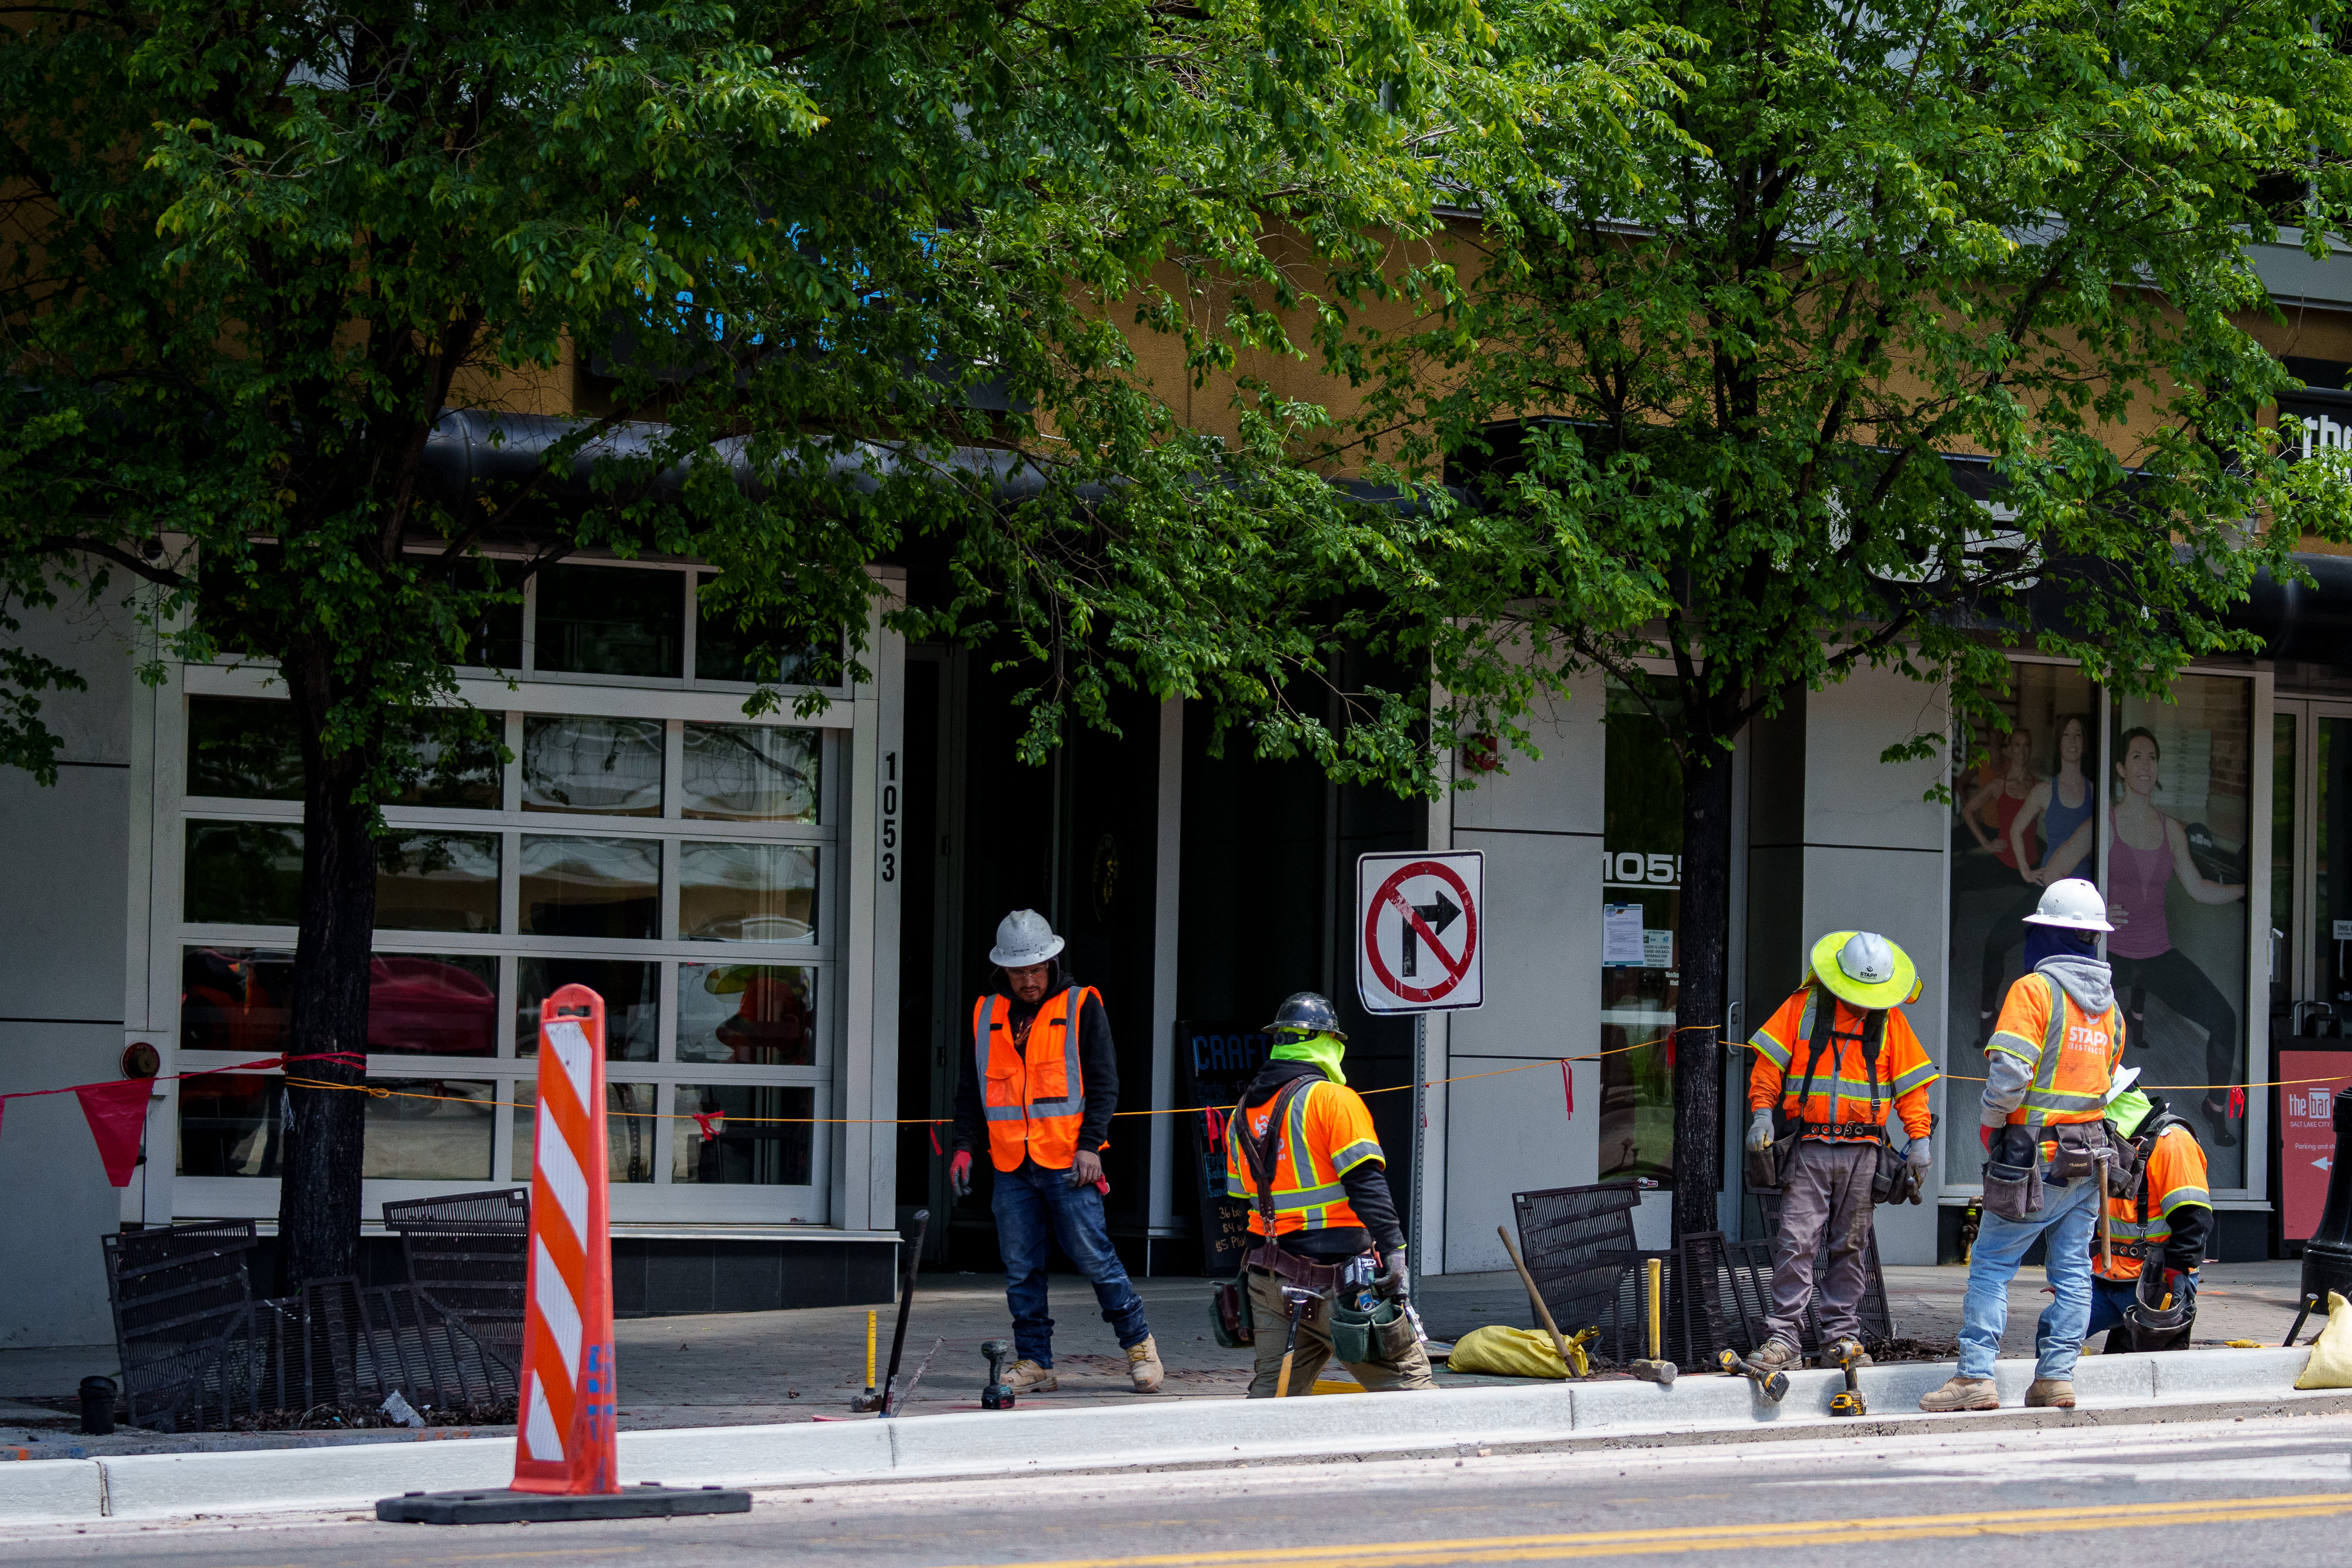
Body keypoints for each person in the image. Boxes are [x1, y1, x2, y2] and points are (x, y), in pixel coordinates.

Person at [1921, 877, 2126, 1413]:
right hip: (2088, 1159)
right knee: (2073, 1271)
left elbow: (2010, 1073)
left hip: (2032, 1160)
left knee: (1990, 1264)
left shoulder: (2034, 991)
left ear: (2048, 933)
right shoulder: (2109, 1007)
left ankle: (1974, 1377)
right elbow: (2107, 1076)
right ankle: (2055, 1377)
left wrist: (1990, 1120)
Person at [948, 909, 1162, 1395]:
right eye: (1020, 971)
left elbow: (1105, 1083)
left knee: (1094, 1257)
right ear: (1003, 969)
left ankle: (1140, 1346)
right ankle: (1035, 1361)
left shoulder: (1082, 1004)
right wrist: (964, 1147)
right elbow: (970, 1088)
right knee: (1021, 1268)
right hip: (1011, 1164)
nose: (1029, 979)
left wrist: (1091, 1146)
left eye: (1037, 968)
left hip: (1069, 1161)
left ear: (1052, 961)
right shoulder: (986, 1014)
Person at [1743, 931, 1937, 1375]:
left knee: (1850, 1245)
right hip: (1810, 1144)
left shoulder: (1890, 1022)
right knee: (1797, 1240)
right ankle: (1784, 1337)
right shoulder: (1802, 1007)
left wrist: (1920, 1139)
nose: (1867, 1001)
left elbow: (1912, 1089)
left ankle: (1841, 1337)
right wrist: (1762, 1115)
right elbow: (1768, 1067)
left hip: (1864, 1150)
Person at [1227, 992, 1434, 1397]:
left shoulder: (1242, 1111)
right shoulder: (1333, 1099)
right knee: (1410, 1388)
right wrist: (1394, 1251)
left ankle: (1251, 1458)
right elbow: (1366, 1183)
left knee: (1274, 1397)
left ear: (1280, 1041)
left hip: (1268, 1284)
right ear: (1328, 1041)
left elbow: (1241, 1195)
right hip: (1335, 1284)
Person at [2106, 726, 2248, 1145]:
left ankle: (2215, 1109)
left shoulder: (2171, 830)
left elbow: (2197, 886)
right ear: (2120, 767)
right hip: (2112, 951)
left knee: (2225, 1018)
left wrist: (2249, 889)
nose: (2145, 765)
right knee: (2085, 1031)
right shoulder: (2106, 822)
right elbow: (2058, 870)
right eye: (2136, 757)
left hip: (2157, 953)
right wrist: (2097, 905)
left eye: (2152, 757)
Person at [2080, 1066, 2210, 1353]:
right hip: (2106, 1277)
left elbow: (2194, 1219)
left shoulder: (2171, 1143)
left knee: (2144, 1362)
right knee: (2053, 1328)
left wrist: (2176, 1275)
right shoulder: (2117, 1145)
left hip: (2153, 1280)